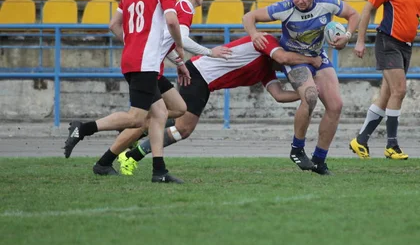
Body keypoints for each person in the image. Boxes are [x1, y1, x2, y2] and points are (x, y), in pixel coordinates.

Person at [63, 0, 190, 184]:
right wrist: (180, 47)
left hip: (132, 59)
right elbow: (172, 21)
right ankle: (83, 128)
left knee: (162, 112)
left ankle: (158, 171)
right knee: (135, 118)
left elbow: (113, 24)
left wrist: (131, 41)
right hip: (146, 62)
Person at [116, 34, 322, 175]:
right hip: (197, 74)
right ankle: (131, 155)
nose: (286, 69)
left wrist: (305, 94)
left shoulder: (267, 69)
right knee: (183, 129)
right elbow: (283, 57)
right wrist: (311, 61)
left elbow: (278, 95)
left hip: (204, 82)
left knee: (171, 121)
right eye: (289, 66)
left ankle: (137, 129)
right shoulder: (266, 41)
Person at [91, 0, 231, 176]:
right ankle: (114, 152)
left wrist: (180, 63)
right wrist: (211, 52)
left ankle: (130, 133)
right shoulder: (184, 8)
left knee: (177, 109)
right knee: (149, 118)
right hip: (148, 69)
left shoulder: (179, 7)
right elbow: (181, 38)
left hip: (153, 68)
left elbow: (167, 40)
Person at [242, 0, 359, 175]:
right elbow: (248, 17)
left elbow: (354, 14)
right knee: (310, 96)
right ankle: (297, 149)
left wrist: (347, 36)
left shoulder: (327, 3)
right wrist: (254, 34)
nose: (300, 1)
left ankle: (319, 161)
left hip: (317, 56)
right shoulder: (285, 7)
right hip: (294, 59)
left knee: (336, 105)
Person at [349, 0, 420, 160]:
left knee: (387, 95)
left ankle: (360, 141)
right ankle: (392, 146)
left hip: (407, 45)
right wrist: (360, 41)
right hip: (388, 42)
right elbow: (369, 8)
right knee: (400, 90)